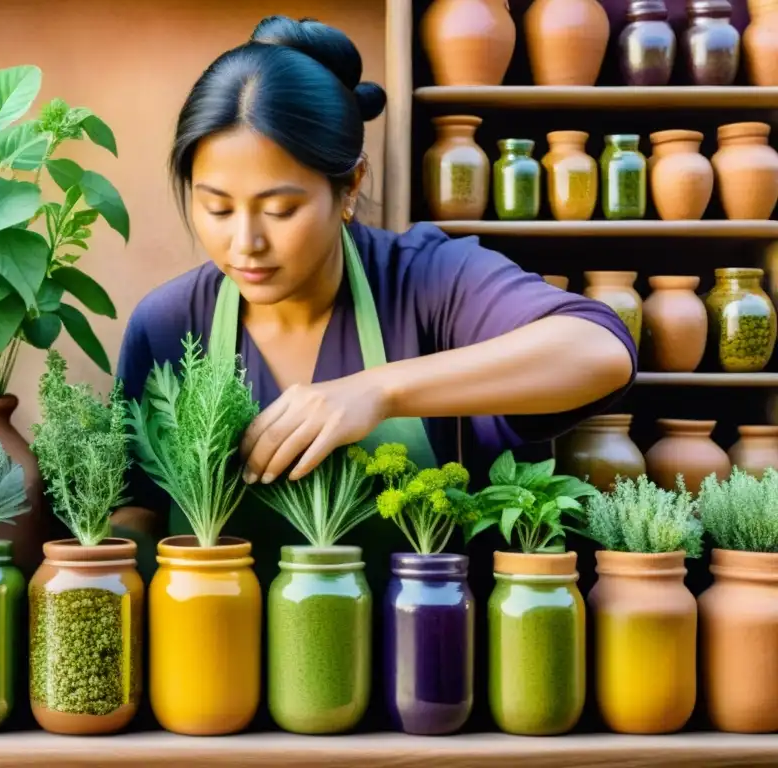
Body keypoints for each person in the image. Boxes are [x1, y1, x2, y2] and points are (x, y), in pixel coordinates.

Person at [112, 15, 635, 572]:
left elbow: (600, 352)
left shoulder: (430, 282)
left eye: (280, 209)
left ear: (351, 185)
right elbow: (136, 511)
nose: (245, 243)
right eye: (216, 207)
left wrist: (378, 391)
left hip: (430, 650)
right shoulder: (169, 324)